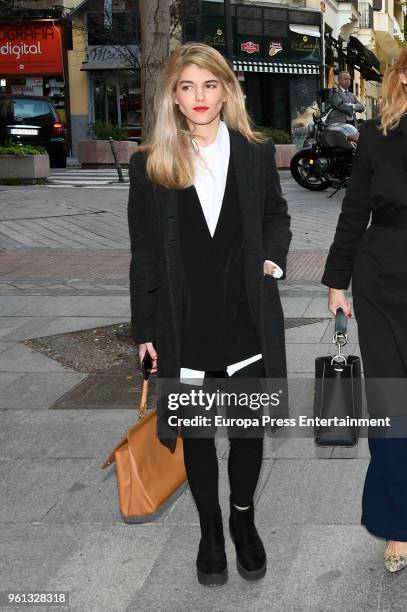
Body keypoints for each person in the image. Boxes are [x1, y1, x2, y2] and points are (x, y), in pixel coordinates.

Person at [127, 42, 291, 586]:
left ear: (227, 90)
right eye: (187, 86)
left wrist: (271, 259)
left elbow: (276, 216)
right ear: (172, 95)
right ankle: (209, 531)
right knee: (196, 439)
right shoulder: (150, 163)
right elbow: (146, 254)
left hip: (245, 319)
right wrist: (147, 330)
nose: (199, 97)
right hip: (186, 322)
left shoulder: (252, 152)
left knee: (247, 434)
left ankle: (243, 521)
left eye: (210, 85)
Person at [321, 47, 407, 573]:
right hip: (381, 284)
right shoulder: (376, 135)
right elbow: (355, 210)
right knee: (392, 407)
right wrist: (335, 282)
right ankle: (398, 525)